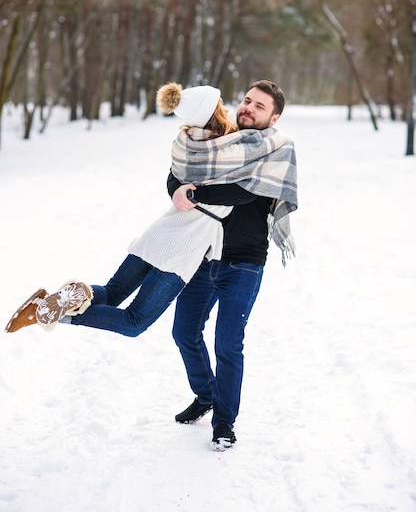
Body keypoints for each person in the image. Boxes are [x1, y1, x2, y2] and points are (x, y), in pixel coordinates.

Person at [5, 83, 297, 352]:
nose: (232, 106)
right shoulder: (230, 148)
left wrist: (181, 192)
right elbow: (244, 193)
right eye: (222, 103)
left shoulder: (189, 142)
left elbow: (175, 177)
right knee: (134, 322)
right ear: (216, 111)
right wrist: (194, 195)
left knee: (110, 292)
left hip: (159, 232)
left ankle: (63, 300)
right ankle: (45, 310)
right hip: (184, 246)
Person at [167, 80, 297, 450]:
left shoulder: (277, 148)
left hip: (244, 260)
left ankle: (224, 422)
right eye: (246, 100)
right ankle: (206, 395)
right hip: (203, 254)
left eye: (259, 106)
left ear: (274, 116)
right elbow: (179, 167)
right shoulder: (218, 140)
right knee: (184, 332)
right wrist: (177, 190)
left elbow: (247, 192)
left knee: (228, 344)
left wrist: (197, 193)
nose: (248, 108)